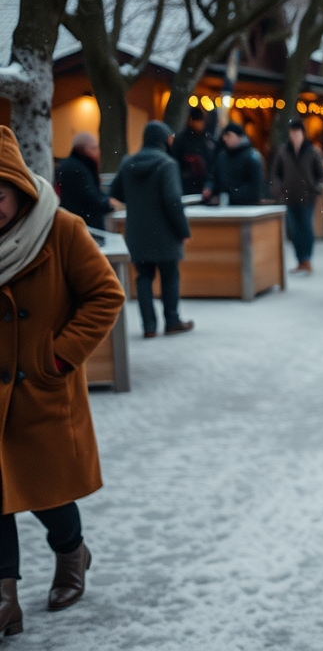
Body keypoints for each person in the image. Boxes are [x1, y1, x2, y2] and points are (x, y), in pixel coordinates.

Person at [0, 126, 124, 629]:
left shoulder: (61, 229)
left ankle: (72, 553)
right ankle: (4, 597)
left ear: (19, 187)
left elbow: (105, 296)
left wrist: (61, 356)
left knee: (47, 492)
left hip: (41, 387)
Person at [110, 122, 195, 338]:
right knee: (169, 275)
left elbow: (115, 191)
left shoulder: (128, 163)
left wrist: (137, 201)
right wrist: (183, 230)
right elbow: (173, 200)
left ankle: (148, 326)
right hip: (165, 231)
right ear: (163, 139)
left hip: (137, 231)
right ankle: (172, 320)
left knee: (144, 276)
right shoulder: (167, 164)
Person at [269, 120, 323, 274]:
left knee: (306, 227)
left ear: (302, 133)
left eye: (297, 132)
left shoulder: (312, 151)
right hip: (289, 197)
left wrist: (316, 188)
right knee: (294, 230)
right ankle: (300, 260)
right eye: (292, 133)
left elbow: (321, 174)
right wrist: (278, 189)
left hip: (307, 197)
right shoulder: (283, 151)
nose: (294, 136)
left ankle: (306, 258)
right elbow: (275, 173)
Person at [55, 132, 113, 229]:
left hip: (70, 223)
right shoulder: (81, 169)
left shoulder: (67, 166)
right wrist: (108, 204)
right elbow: (89, 197)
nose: (98, 151)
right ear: (83, 149)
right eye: (94, 148)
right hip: (85, 225)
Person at [206, 123, 266, 205]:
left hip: (246, 207)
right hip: (223, 206)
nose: (225, 139)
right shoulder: (221, 157)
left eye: (229, 135)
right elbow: (214, 178)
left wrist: (231, 196)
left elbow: (255, 187)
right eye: (224, 135)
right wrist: (209, 188)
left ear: (239, 137)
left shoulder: (252, 156)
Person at [170, 107, 216, 196]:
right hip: (187, 183)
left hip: (203, 184)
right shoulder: (181, 139)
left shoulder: (207, 139)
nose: (200, 124)